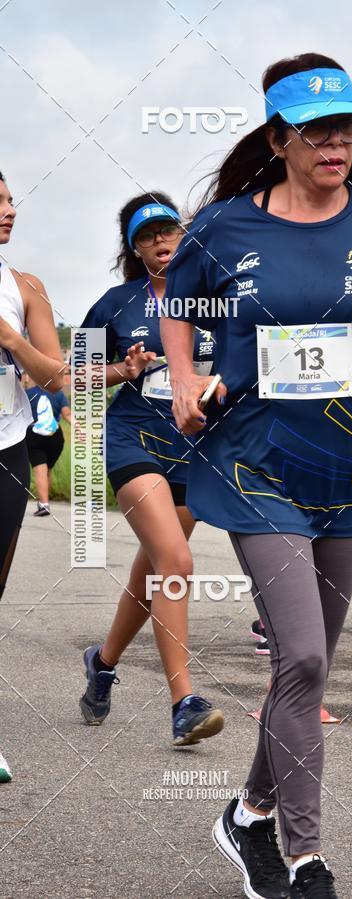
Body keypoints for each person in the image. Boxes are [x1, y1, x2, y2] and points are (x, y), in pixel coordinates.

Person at [161, 53, 352, 899]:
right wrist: (185, 380)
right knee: (299, 652)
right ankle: (304, 859)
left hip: (349, 462)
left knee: (307, 668)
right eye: (318, 130)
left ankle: (248, 811)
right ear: (279, 138)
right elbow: (175, 303)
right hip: (256, 461)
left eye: (349, 127)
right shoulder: (224, 227)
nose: (337, 143)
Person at [78, 192, 224, 747]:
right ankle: (184, 701)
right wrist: (123, 367)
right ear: (135, 249)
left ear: (185, 236)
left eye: (168, 231)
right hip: (131, 441)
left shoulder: (217, 301)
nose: (161, 242)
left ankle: (104, 661)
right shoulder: (115, 304)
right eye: (147, 237)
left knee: (153, 571)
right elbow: (74, 377)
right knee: (176, 561)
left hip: (192, 447)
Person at [0, 169, 65, 782]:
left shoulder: (24, 285)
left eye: (11, 199)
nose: (9, 210)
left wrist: (10, 339)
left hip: (7, 446)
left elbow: (53, 375)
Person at [24, 375, 71, 516]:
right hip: (55, 436)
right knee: (47, 470)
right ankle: (45, 502)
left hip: (34, 434)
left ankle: (44, 504)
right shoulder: (58, 394)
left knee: (40, 470)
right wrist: (79, 427)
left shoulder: (28, 394)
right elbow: (67, 414)